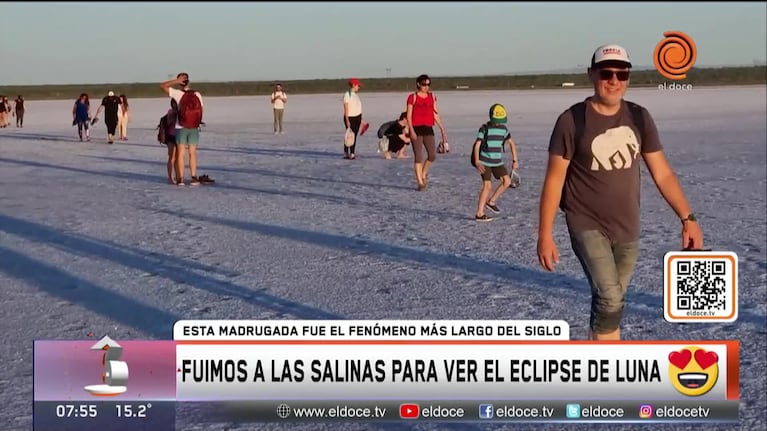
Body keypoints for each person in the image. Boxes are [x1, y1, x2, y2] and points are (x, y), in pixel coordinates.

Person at [536, 44, 704, 341]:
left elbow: (662, 172)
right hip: (586, 223)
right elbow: (554, 180)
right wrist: (545, 234)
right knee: (611, 298)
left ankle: (597, 358)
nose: (614, 80)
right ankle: (609, 368)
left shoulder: (639, 118)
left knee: (609, 301)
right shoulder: (571, 120)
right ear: (592, 75)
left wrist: (687, 217)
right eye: (606, 73)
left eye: (622, 74)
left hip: (627, 227)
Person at [472, 103, 519, 222]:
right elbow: (477, 145)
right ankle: (479, 213)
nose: (498, 123)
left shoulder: (504, 130)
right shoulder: (484, 128)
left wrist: (515, 160)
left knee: (507, 181)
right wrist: (477, 161)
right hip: (485, 161)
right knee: (487, 186)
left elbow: (512, 144)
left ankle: (491, 201)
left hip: (497, 161)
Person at [160, 72, 205, 186]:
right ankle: (194, 177)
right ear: (189, 81)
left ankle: (180, 179)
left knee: (180, 153)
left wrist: (175, 81)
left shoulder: (178, 94)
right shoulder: (197, 94)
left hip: (181, 127)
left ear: (180, 82)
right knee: (192, 153)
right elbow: (201, 111)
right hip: (194, 127)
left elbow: (163, 86)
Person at [406, 74, 448, 190]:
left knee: (432, 155)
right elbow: (409, 116)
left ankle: (424, 172)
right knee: (418, 156)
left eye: (428, 84)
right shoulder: (412, 97)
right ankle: (420, 182)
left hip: (428, 128)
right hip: (416, 128)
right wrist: (411, 130)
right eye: (424, 84)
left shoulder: (432, 96)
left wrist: (441, 127)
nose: (426, 87)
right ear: (418, 84)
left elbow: (435, 113)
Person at [341, 78, 369, 160]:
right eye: (358, 85)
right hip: (350, 117)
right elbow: (346, 108)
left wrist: (361, 120)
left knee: (354, 136)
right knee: (349, 136)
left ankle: (352, 152)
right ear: (353, 85)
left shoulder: (356, 95)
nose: (359, 87)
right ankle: (347, 153)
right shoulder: (347, 94)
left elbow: (357, 108)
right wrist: (347, 120)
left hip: (357, 117)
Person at [162, 99, 179, 184]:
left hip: (178, 136)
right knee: (172, 157)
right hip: (171, 136)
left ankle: (177, 175)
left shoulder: (181, 111)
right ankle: (170, 177)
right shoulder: (171, 111)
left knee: (178, 157)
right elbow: (169, 122)